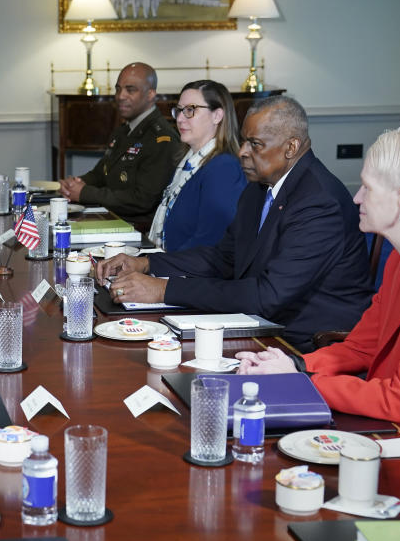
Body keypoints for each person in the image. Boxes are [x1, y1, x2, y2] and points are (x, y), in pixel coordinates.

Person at [235, 125, 400, 482]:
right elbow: (362, 346)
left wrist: (299, 378)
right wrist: (292, 363)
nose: (357, 198)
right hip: (398, 432)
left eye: (367, 188)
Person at [98, 96, 374, 351]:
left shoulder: (319, 203)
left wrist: (162, 290)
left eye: (255, 144)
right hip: (262, 322)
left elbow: (269, 295)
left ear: (291, 147)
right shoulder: (261, 187)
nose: (242, 152)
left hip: (303, 340)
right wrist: (149, 264)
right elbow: (224, 257)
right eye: (244, 141)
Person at [59, 62, 182, 232]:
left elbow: (142, 200)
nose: (120, 96)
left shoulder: (161, 139)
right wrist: (75, 185)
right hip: (110, 217)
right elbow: (101, 174)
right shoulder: (123, 131)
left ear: (150, 94)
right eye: (118, 89)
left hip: (136, 229)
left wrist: (85, 193)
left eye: (130, 90)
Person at [147, 79, 245, 251]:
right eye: (179, 111)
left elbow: (211, 242)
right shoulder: (187, 162)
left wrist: (155, 266)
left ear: (217, 115)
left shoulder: (224, 168)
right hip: (171, 265)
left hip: (190, 274)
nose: (180, 119)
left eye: (190, 110)